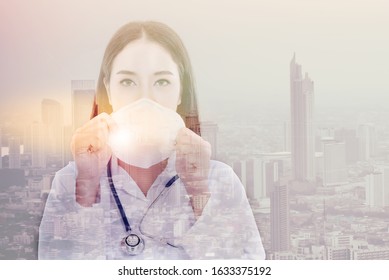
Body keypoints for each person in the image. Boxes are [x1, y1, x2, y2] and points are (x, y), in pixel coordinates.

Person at [38, 21, 265, 260]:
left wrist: (198, 192)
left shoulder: (220, 180)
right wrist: (87, 185)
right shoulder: (70, 180)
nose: (145, 98)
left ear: (180, 92)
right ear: (108, 90)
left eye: (162, 82)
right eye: (127, 82)